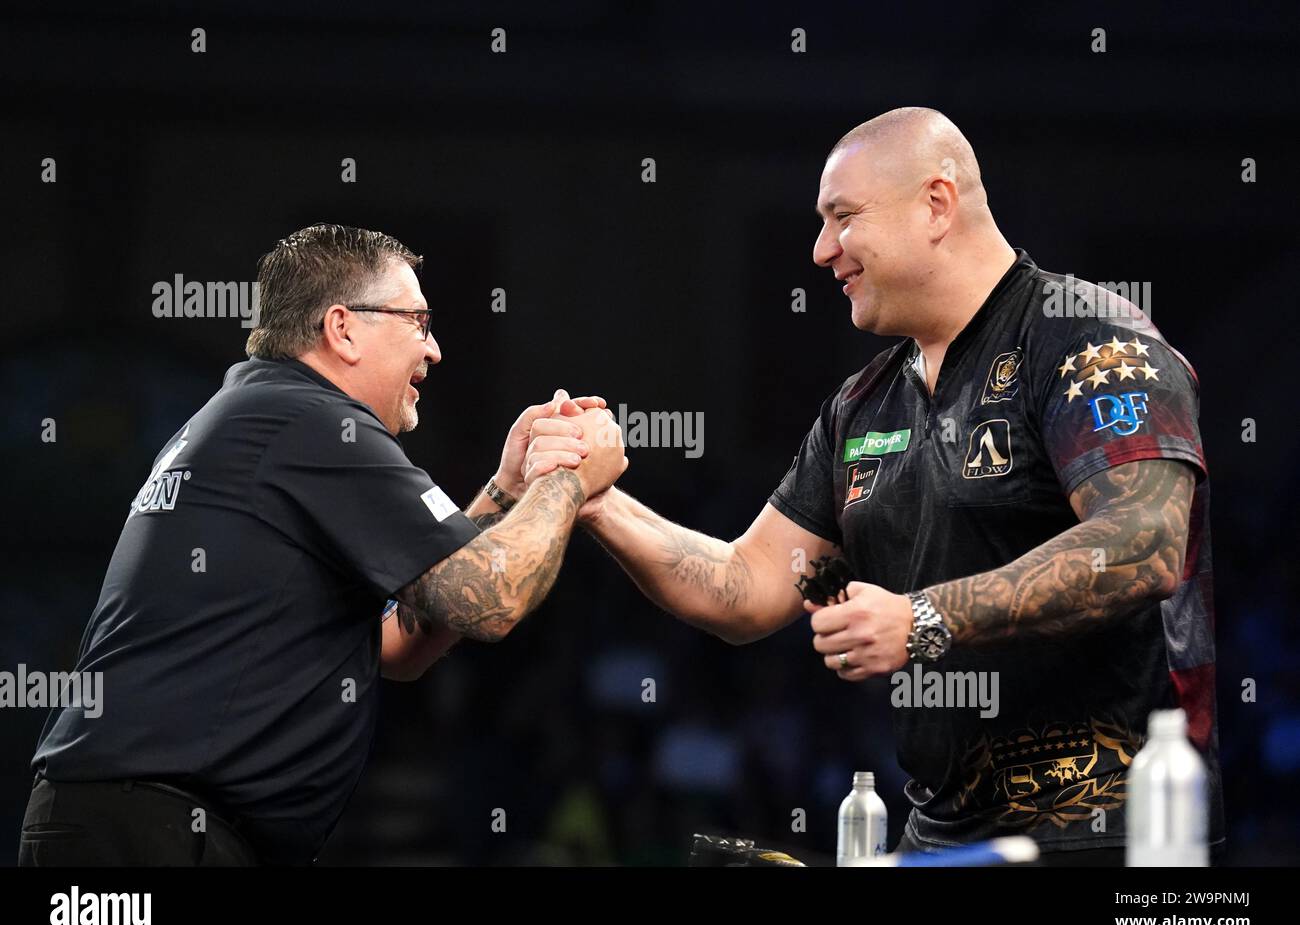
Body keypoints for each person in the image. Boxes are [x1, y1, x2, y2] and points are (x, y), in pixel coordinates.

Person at [526, 108, 1224, 863]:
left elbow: (1144, 542)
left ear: (935, 204)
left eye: (843, 217)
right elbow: (746, 588)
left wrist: (923, 618)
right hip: (937, 837)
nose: (823, 251)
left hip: (1116, 833)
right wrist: (593, 498)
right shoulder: (862, 406)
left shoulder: (1089, 338)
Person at [20, 223, 626, 866]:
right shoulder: (313, 424)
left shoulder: (267, 414)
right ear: (342, 328)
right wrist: (566, 480)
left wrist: (504, 491)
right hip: (150, 832)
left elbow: (400, 644)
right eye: (418, 323)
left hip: (139, 823)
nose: (435, 350)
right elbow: (494, 599)